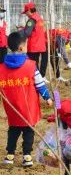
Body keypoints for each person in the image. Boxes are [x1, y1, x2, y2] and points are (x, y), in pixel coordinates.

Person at [1, 31, 52, 167]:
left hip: (12, 107)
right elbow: (39, 83)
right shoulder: (30, 66)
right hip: (28, 107)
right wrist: (48, 97)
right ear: (21, 48)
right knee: (28, 131)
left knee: (13, 130)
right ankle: (27, 156)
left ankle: (9, 155)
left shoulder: (2, 68)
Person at [20, 2, 48, 77]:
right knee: (36, 64)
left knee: (33, 65)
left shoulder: (31, 20)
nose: (26, 14)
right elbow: (36, 30)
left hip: (33, 47)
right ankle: (41, 77)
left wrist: (20, 31)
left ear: (29, 10)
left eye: (26, 12)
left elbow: (27, 33)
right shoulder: (39, 18)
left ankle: (37, 80)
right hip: (40, 45)